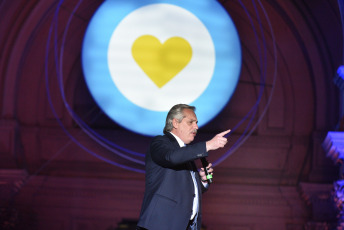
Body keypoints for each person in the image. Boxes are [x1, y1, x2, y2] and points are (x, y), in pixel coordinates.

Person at [136, 104, 230, 230]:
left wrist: (202, 181)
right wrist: (207, 145)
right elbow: (171, 158)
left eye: (196, 123)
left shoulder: (185, 153)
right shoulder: (160, 142)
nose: (196, 127)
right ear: (175, 123)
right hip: (160, 225)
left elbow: (184, 190)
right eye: (191, 122)